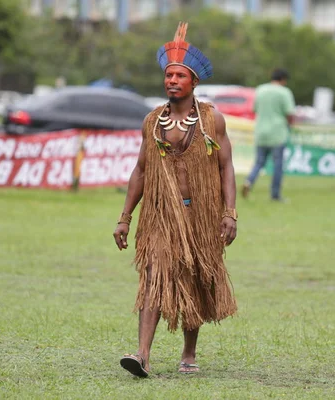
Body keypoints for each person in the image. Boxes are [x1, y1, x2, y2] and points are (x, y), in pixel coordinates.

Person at [113, 22, 238, 378]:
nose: (172, 81)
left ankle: (189, 352)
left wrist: (230, 212)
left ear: (193, 82)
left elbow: (226, 167)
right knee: (154, 274)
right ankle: (142, 356)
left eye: (179, 76)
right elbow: (139, 171)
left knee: (196, 277)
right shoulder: (152, 122)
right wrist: (125, 217)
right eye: (168, 75)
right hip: (160, 216)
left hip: (201, 215)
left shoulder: (213, 120)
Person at [241, 68, 295, 202]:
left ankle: (249, 181)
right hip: (277, 133)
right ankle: (275, 195)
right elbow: (289, 113)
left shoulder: (260, 89)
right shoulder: (284, 92)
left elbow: (254, 109)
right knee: (277, 165)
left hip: (261, 132)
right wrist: (289, 125)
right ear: (283, 79)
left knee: (259, 162)